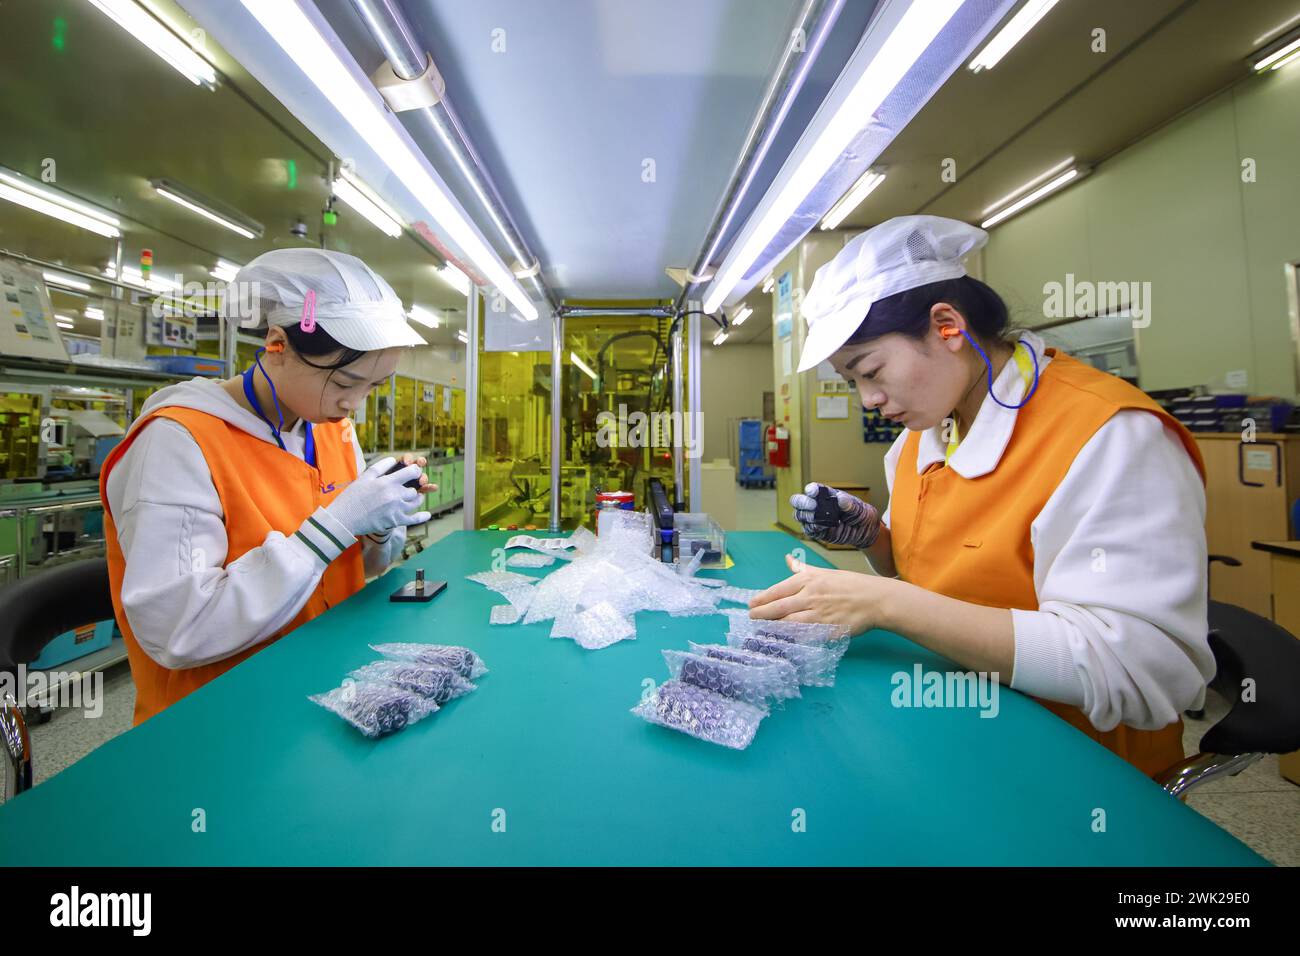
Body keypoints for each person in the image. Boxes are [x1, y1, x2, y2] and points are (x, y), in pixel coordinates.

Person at [748, 215, 1211, 778]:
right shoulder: (923, 437)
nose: (868, 398)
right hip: (959, 730)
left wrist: (885, 604)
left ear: (947, 325)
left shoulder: (1111, 436)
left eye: (871, 370)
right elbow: (935, 573)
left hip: (1082, 770)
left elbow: (1142, 671)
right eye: (852, 383)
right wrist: (873, 536)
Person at [100, 248, 435, 723]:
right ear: (277, 344)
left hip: (329, 690)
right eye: (345, 381)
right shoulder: (177, 441)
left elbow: (362, 568)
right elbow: (178, 630)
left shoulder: (330, 428)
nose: (355, 404)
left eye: (374, 387)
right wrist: (336, 523)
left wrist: (380, 523)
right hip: (220, 719)